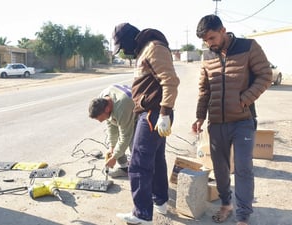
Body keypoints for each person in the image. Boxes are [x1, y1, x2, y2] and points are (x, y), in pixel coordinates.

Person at [191, 15, 272, 225]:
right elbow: (204, 89)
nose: (210, 43)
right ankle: (226, 204)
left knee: (243, 167)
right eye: (206, 41)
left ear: (223, 30)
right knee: (220, 168)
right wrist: (200, 116)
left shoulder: (248, 46)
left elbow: (265, 75)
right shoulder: (207, 56)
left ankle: (243, 217)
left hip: (243, 120)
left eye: (212, 37)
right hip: (216, 122)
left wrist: (244, 100)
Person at [112, 23, 180, 225]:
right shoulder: (145, 49)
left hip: (153, 113)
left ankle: (141, 214)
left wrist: (165, 113)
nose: (123, 52)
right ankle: (160, 201)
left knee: (138, 164)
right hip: (154, 113)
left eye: (122, 47)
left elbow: (170, 82)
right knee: (157, 160)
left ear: (129, 39)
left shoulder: (154, 47)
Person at [88, 84, 135, 178]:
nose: (101, 121)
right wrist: (112, 147)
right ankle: (124, 168)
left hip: (138, 115)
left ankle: (139, 173)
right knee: (116, 147)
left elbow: (125, 136)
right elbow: (111, 124)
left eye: (101, 118)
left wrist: (114, 157)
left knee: (134, 145)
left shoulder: (122, 106)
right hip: (124, 113)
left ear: (107, 109)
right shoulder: (103, 98)